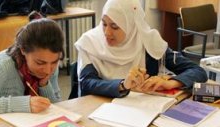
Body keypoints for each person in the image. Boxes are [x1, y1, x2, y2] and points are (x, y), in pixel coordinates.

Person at [75, 0, 208, 98]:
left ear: (131, 26)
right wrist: (122, 85)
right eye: (104, 24)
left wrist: (172, 83)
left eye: (115, 26)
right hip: (99, 112)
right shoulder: (90, 42)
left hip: (143, 113)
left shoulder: (147, 41)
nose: (107, 32)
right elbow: (87, 83)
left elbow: (198, 71)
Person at [0, 12, 64, 119]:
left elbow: (55, 107)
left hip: (30, 124)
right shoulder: (4, 65)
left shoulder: (49, 65)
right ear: (23, 50)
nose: (47, 70)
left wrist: (44, 85)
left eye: (54, 62)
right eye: (40, 63)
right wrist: (22, 104)